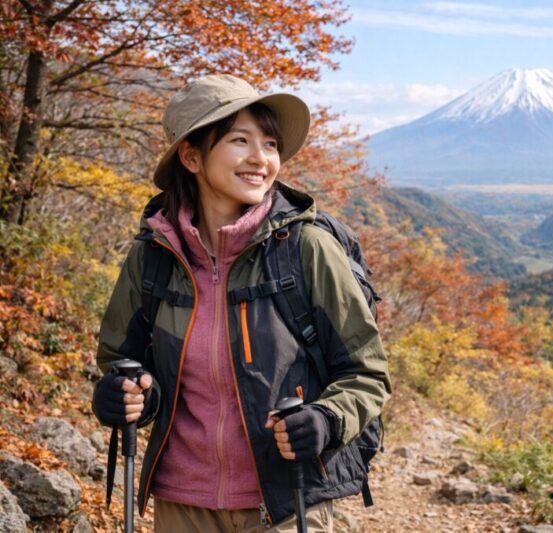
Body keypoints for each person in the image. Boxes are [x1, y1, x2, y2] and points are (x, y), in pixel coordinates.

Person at [91, 74, 391, 532]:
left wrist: (327, 419)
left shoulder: (305, 249)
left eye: (270, 144)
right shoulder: (153, 257)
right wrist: (125, 395)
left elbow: (367, 372)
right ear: (191, 156)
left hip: (285, 500)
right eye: (239, 140)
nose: (261, 158)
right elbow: (123, 361)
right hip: (181, 501)